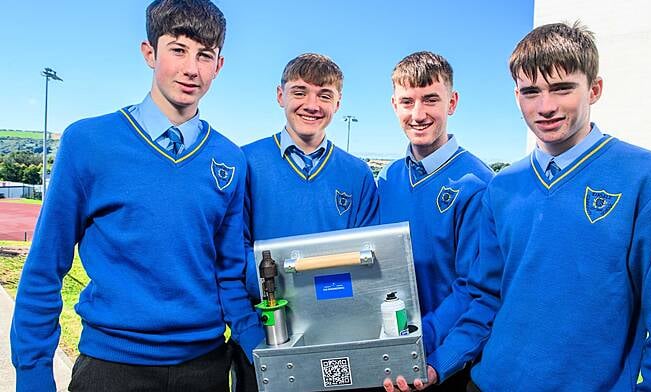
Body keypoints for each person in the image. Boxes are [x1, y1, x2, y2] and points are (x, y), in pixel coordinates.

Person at [386, 21, 651, 392]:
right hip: (487, 384)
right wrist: (437, 365)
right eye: (531, 91)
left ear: (594, 89)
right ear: (517, 96)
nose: (546, 106)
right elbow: (485, 299)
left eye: (562, 88)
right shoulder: (502, 187)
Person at [10, 1, 264, 390]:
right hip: (111, 368)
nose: (191, 68)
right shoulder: (88, 142)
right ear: (150, 53)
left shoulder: (230, 159)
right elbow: (46, 266)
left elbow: (228, 275)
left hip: (205, 369)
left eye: (205, 55)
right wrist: (32, 373)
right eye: (178, 49)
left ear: (219, 65)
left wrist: (260, 347)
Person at [229, 53, 380, 391]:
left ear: (338, 103)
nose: (312, 104)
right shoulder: (245, 162)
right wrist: (252, 337)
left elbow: (366, 263)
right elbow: (230, 259)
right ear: (280, 95)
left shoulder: (357, 174)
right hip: (263, 337)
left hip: (337, 340)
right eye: (300, 92)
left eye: (324, 95)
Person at [378, 51, 493, 391]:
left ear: (452, 102)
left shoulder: (478, 183)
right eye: (407, 101)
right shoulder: (385, 179)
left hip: (443, 362)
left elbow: (475, 289)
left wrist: (422, 339)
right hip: (388, 354)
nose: (418, 114)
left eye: (431, 99)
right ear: (394, 105)